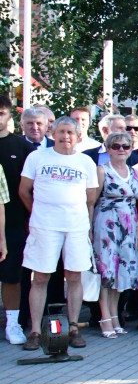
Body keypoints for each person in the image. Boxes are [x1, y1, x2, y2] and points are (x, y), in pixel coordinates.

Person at [19, 116, 99, 350]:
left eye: (70, 133)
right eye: (61, 132)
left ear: (77, 135)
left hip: (75, 226)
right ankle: (35, 331)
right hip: (44, 226)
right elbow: (24, 191)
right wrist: (38, 213)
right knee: (41, 277)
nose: (65, 137)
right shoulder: (37, 157)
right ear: (53, 133)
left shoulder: (86, 162)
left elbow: (90, 197)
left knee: (74, 277)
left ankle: (73, 328)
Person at [92, 131, 138, 338]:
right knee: (107, 272)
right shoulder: (102, 171)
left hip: (129, 226)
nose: (121, 149)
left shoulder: (133, 172)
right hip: (107, 225)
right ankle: (104, 317)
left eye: (125, 146)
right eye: (116, 146)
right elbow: (91, 201)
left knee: (121, 272)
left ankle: (114, 315)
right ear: (108, 149)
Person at [0, 96, 34, 344]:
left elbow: (32, 189)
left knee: (12, 276)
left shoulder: (21, 148)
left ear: (10, 115)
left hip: (13, 223)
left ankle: (13, 324)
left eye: (1, 112)